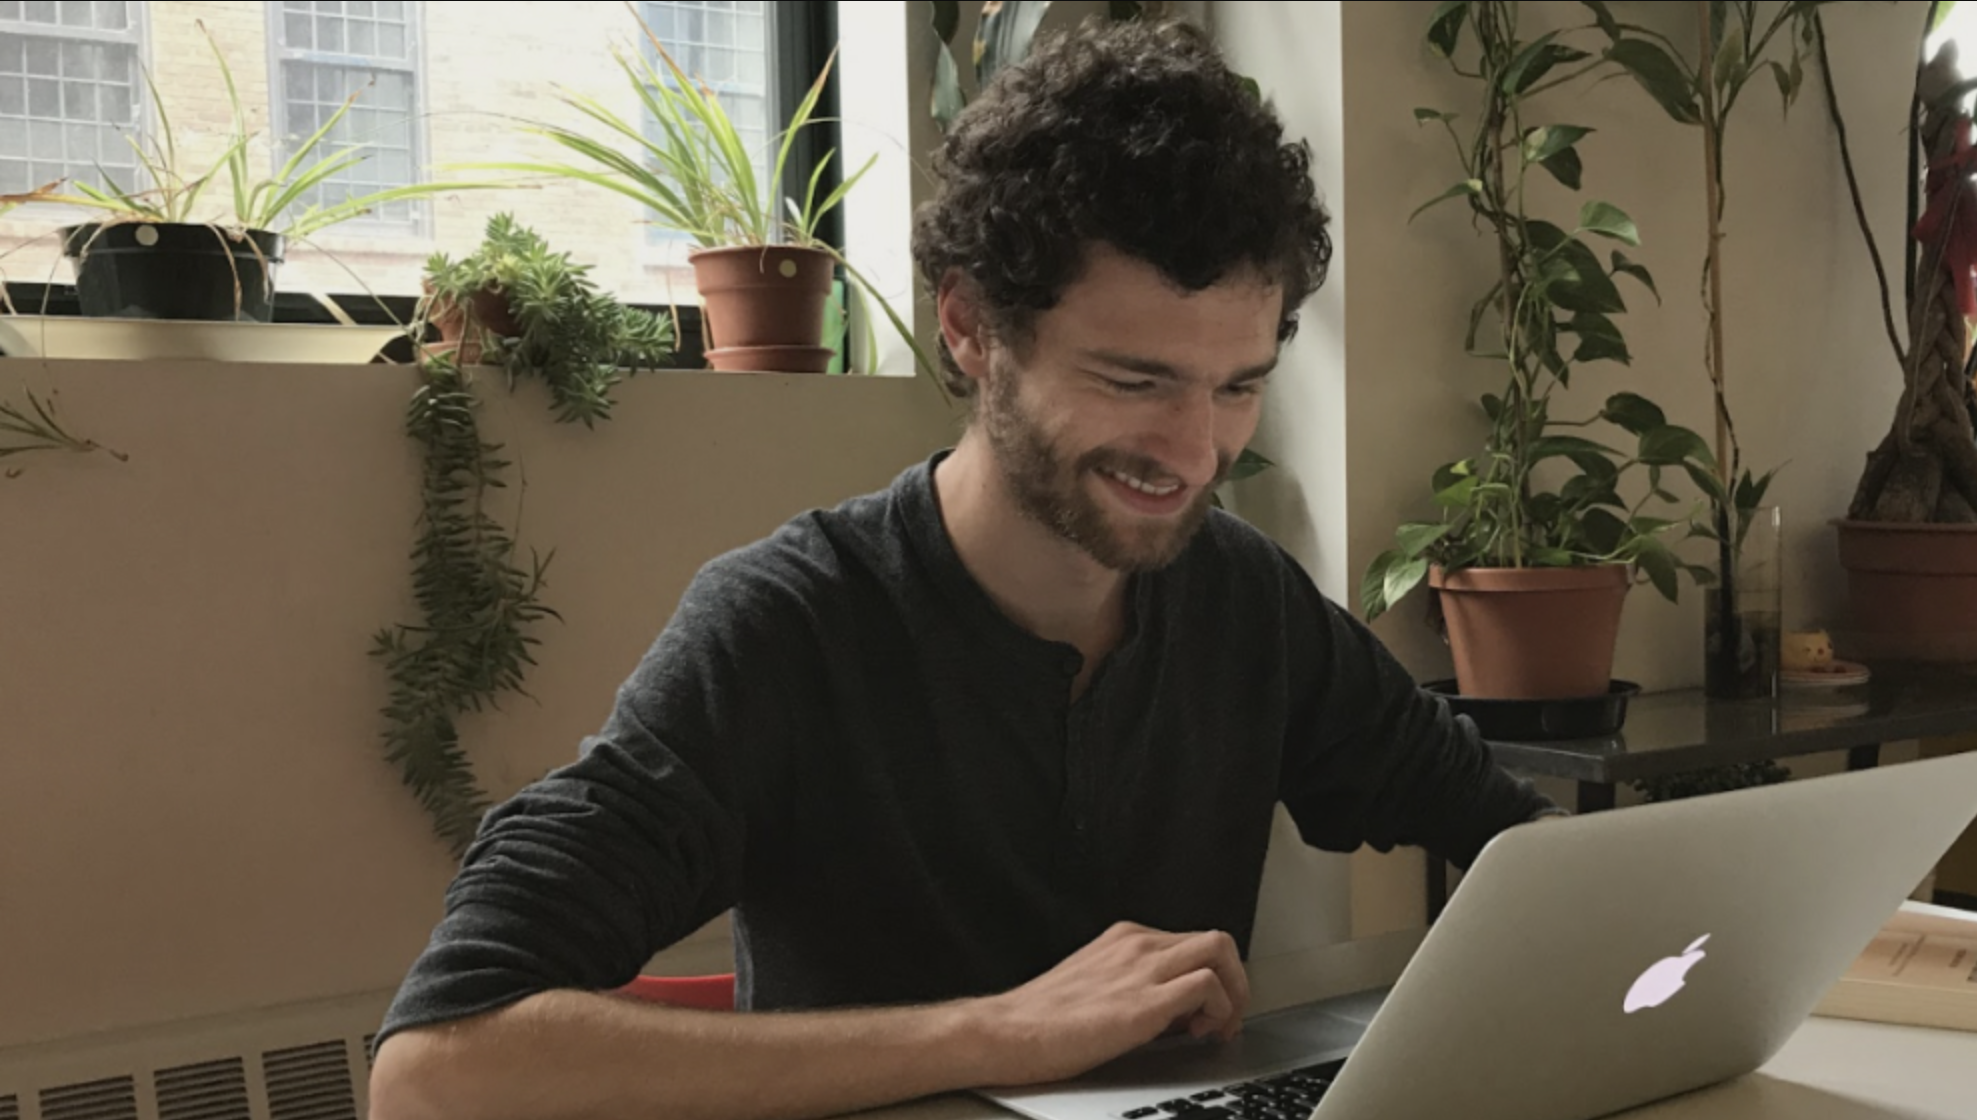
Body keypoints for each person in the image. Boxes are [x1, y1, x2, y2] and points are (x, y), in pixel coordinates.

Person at [367, 18, 1559, 1120]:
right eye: (1135, 382)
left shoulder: (1245, 600)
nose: (1198, 454)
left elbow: (1523, 852)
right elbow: (432, 1072)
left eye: (1237, 386)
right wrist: (999, 1031)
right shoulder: (787, 627)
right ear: (971, 329)